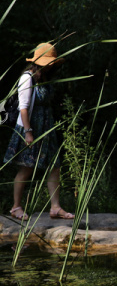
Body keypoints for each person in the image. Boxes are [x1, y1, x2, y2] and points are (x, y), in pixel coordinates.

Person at [3, 43, 71, 221]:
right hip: (30, 127)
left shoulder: (45, 78)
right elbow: (24, 108)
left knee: (54, 166)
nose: (51, 65)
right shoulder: (27, 78)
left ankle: (55, 207)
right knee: (26, 168)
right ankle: (16, 207)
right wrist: (28, 132)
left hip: (46, 128)